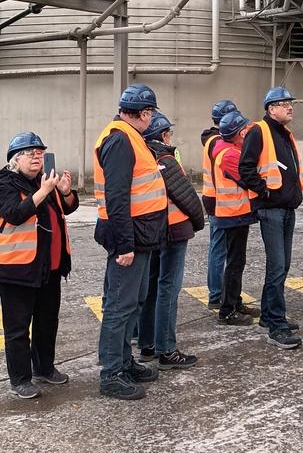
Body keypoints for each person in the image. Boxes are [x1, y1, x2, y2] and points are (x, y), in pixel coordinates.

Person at [0, 132, 78, 399]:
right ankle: (20, 379)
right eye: (30, 154)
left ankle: (44, 368)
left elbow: (67, 209)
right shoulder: (5, 183)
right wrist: (44, 191)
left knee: (47, 321)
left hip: (48, 267)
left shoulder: (44, 180)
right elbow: (15, 213)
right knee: (18, 328)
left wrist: (65, 192)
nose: (37, 158)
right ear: (15, 159)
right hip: (16, 268)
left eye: (40, 153)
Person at [94, 84, 167, 400]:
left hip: (141, 235)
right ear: (146, 113)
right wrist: (125, 245)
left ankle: (124, 363)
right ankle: (111, 374)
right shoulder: (120, 139)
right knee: (120, 305)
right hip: (131, 238)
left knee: (133, 302)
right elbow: (117, 197)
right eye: (151, 113)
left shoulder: (130, 137)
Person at [137, 112, 205, 370]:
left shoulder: (143, 157)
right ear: (162, 135)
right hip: (174, 230)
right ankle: (167, 349)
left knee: (151, 287)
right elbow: (186, 196)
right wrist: (198, 221)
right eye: (169, 133)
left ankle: (147, 345)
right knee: (168, 288)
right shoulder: (165, 158)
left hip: (153, 230)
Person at [239, 85, 303, 350]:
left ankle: (268, 315)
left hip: (287, 208)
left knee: (283, 265)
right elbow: (245, 168)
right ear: (271, 108)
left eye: (290, 103)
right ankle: (277, 326)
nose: (290, 107)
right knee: (277, 267)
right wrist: (263, 190)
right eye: (284, 103)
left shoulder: (284, 133)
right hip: (271, 209)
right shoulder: (259, 131)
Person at [211, 110, 259, 326]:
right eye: (245, 130)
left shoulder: (228, 149)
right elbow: (248, 177)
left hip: (235, 214)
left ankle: (234, 302)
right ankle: (228, 310)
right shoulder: (229, 155)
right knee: (235, 262)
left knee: (236, 261)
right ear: (239, 133)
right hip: (233, 214)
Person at [201, 99, 238, 310]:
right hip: (218, 200)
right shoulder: (218, 142)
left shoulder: (211, 139)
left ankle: (216, 293)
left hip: (212, 197)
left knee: (218, 247)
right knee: (219, 248)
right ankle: (216, 294)